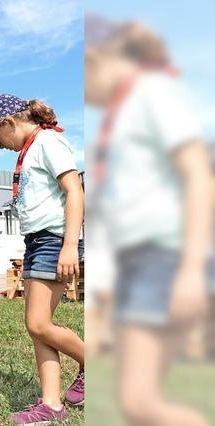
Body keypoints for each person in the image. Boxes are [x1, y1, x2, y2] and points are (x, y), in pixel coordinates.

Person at [86, 15, 213, 426]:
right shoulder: (120, 114)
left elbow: (199, 176)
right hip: (141, 262)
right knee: (134, 403)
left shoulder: (154, 94)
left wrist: (191, 270)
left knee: (138, 402)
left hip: (165, 257)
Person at [0, 94, 85, 424]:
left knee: (37, 324)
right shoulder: (30, 149)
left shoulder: (48, 141)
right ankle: (51, 405)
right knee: (39, 329)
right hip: (37, 241)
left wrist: (68, 245)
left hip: (54, 241)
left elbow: (75, 191)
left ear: (9, 123)